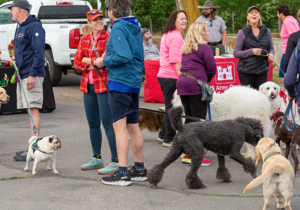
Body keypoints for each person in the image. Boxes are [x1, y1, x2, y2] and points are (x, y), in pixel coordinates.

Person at [93, 0, 147, 186]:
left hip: (120, 82)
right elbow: (137, 55)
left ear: (112, 11)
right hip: (132, 82)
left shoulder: (118, 28)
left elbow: (124, 56)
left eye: (107, 10)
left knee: (119, 127)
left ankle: (122, 172)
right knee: (133, 126)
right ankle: (139, 169)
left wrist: (104, 61)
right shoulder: (135, 26)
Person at [74, 9, 119, 175]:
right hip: (88, 85)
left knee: (108, 124)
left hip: (104, 85)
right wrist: (93, 62)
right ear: (89, 23)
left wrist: (89, 60)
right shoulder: (85, 39)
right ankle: (97, 158)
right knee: (93, 124)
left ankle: (116, 160)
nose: (99, 22)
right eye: (95, 20)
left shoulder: (109, 38)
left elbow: (107, 62)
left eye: (101, 19)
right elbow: (77, 62)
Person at [9, 0, 46, 161]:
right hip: (23, 73)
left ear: (19, 9)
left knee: (33, 108)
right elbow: (25, 50)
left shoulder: (34, 26)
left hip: (32, 74)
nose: (11, 12)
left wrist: (32, 75)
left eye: (12, 9)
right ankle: (32, 146)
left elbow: (39, 52)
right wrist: (16, 57)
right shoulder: (20, 27)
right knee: (29, 108)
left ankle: (34, 148)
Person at [177, 22, 216, 166]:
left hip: (182, 84)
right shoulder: (205, 48)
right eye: (207, 31)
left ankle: (186, 152)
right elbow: (212, 68)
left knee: (189, 120)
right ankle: (194, 154)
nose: (209, 33)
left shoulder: (186, 48)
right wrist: (206, 81)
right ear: (201, 33)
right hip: (195, 86)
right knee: (198, 123)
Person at [157, 10, 187, 148]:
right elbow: (176, 60)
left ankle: (163, 135)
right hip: (171, 76)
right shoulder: (175, 36)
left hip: (164, 75)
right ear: (174, 20)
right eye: (181, 18)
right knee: (172, 108)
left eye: (185, 19)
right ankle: (169, 138)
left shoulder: (168, 34)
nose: (184, 21)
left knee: (169, 106)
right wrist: (182, 78)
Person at [233, 6, 275, 90]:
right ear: (247, 17)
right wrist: (252, 51)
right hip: (246, 72)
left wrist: (271, 53)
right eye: (251, 13)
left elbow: (271, 48)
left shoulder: (267, 31)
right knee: (248, 99)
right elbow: (236, 53)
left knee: (260, 97)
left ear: (259, 15)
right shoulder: (242, 32)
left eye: (256, 12)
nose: (254, 14)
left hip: (262, 71)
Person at [277, 4, 299, 90]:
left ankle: (288, 96)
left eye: (277, 13)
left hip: (288, 52)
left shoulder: (287, 21)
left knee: (284, 74)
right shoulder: (293, 19)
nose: (277, 15)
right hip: (291, 52)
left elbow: (294, 37)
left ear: (281, 13)